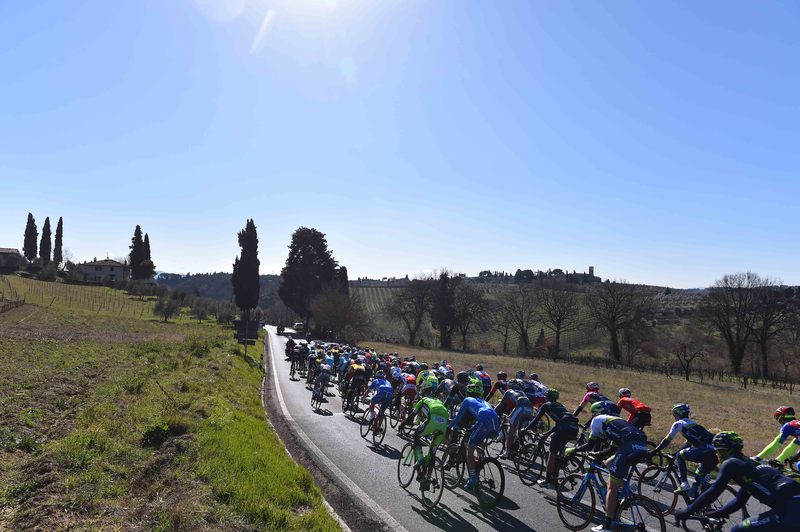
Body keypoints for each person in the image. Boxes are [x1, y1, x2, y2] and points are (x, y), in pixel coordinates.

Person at [676, 432, 800, 531]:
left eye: (718, 451)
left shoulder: (730, 463)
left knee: (738, 529)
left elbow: (713, 492)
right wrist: (715, 514)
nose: (717, 455)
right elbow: (739, 501)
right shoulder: (748, 465)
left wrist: (687, 511)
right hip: (792, 505)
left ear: (723, 451)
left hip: (789, 510)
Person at [565, 402, 648, 532]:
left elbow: (590, 445)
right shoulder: (616, 422)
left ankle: (607, 525)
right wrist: (599, 456)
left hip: (629, 447)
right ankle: (623, 494)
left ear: (596, 413)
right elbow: (611, 450)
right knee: (609, 463)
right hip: (642, 446)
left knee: (611, 487)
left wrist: (573, 450)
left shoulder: (597, 420)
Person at [650, 403, 717, 495]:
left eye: (674, 415)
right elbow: (687, 445)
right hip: (713, 453)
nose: (674, 417)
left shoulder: (679, 423)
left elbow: (667, 440)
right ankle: (702, 502)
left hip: (703, 451)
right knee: (698, 477)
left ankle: (684, 483)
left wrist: (655, 450)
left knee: (680, 456)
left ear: (677, 414)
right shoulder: (693, 424)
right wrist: (674, 454)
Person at [447, 379, 500, 490]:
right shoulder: (483, 401)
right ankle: (481, 458)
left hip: (484, 418)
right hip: (495, 419)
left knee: (470, 447)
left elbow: (458, 418)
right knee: (479, 439)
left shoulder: (467, 400)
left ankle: (472, 478)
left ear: (468, 392)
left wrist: (449, 426)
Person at [530, 389, 580, 488]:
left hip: (563, 428)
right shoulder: (561, 405)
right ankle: (560, 466)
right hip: (574, 428)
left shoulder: (546, 405)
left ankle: (547, 480)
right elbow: (560, 423)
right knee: (558, 446)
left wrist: (526, 429)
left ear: (547, 397)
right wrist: (548, 433)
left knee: (552, 453)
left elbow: (536, 419)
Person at [398, 394, 449, 490]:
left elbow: (411, 416)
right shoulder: (439, 402)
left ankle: (420, 459)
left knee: (416, 435)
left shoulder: (422, 401)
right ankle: (427, 478)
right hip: (443, 424)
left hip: (432, 419)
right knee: (432, 452)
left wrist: (403, 424)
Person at [494, 388, 533, 459]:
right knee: (519, 428)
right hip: (530, 409)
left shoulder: (508, 392)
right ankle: (521, 444)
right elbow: (517, 406)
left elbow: (500, 405)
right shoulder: (521, 392)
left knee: (511, 431)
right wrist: (510, 415)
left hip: (521, 409)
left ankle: (507, 452)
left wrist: (493, 413)